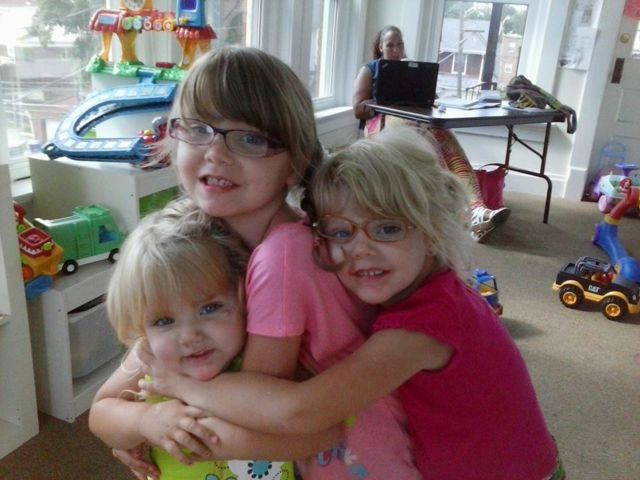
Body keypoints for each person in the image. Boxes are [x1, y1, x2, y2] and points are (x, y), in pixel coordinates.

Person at [139, 126, 565, 480]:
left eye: (387, 229)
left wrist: (181, 386)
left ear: (432, 229)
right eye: (341, 233)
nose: (359, 249)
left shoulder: (427, 324)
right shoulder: (427, 293)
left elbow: (303, 412)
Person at [90, 46, 421, 479]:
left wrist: (160, 428)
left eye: (250, 139)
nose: (216, 153)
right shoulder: (202, 241)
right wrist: (142, 421)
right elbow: (109, 402)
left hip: (351, 462)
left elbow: (261, 421)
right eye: (198, 129)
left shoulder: (282, 258)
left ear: (295, 164)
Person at [90, 198, 345, 480]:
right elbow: (101, 412)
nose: (190, 336)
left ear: (243, 296)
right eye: (163, 321)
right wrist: (143, 421)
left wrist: (208, 439)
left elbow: (322, 435)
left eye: (209, 308)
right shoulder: (151, 357)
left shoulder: (266, 355)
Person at [352, 24, 510, 243]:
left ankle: (476, 210)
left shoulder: (413, 70)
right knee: (428, 147)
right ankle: (453, 215)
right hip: (382, 121)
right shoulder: (370, 69)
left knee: (446, 139)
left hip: (416, 119)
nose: (396, 50)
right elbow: (357, 109)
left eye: (399, 45)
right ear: (380, 47)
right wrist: (378, 102)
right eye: (390, 45)